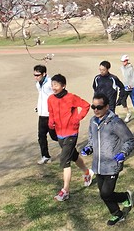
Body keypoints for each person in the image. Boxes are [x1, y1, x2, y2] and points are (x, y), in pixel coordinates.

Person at [81, 93, 134, 226]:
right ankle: (121, 206)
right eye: (93, 106)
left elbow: (129, 140)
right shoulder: (93, 122)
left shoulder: (115, 122)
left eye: (99, 107)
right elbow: (91, 140)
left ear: (107, 107)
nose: (95, 110)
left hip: (112, 164)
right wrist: (88, 148)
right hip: (98, 165)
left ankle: (121, 205)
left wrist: (123, 153)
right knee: (104, 193)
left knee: (106, 193)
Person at [47, 74, 94, 202]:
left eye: (56, 85)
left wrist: (77, 118)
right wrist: (51, 123)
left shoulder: (71, 97)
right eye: (52, 85)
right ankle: (87, 172)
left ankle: (65, 190)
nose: (53, 87)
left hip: (71, 132)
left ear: (63, 86)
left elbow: (85, 105)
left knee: (64, 160)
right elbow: (51, 112)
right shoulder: (50, 99)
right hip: (59, 133)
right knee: (72, 156)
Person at [33, 65, 57, 165]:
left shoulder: (50, 83)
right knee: (41, 136)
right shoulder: (38, 84)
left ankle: (69, 148)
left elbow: (56, 96)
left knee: (54, 136)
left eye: (38, 75)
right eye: (34, 75)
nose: (36, 77)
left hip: (50, 115)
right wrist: (38, 107)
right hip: (42, 115)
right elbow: (42, 97)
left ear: (44, 74)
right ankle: (45, 156)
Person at [119, 55, 134, 122]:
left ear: (127, 61)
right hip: (125, 87)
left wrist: (131, 85)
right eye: (122, 61)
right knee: (123, 101)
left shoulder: (131, 68)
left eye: (124, 61)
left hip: (131, 88)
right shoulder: (122, 68)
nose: (123, 63)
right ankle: (128, 113)